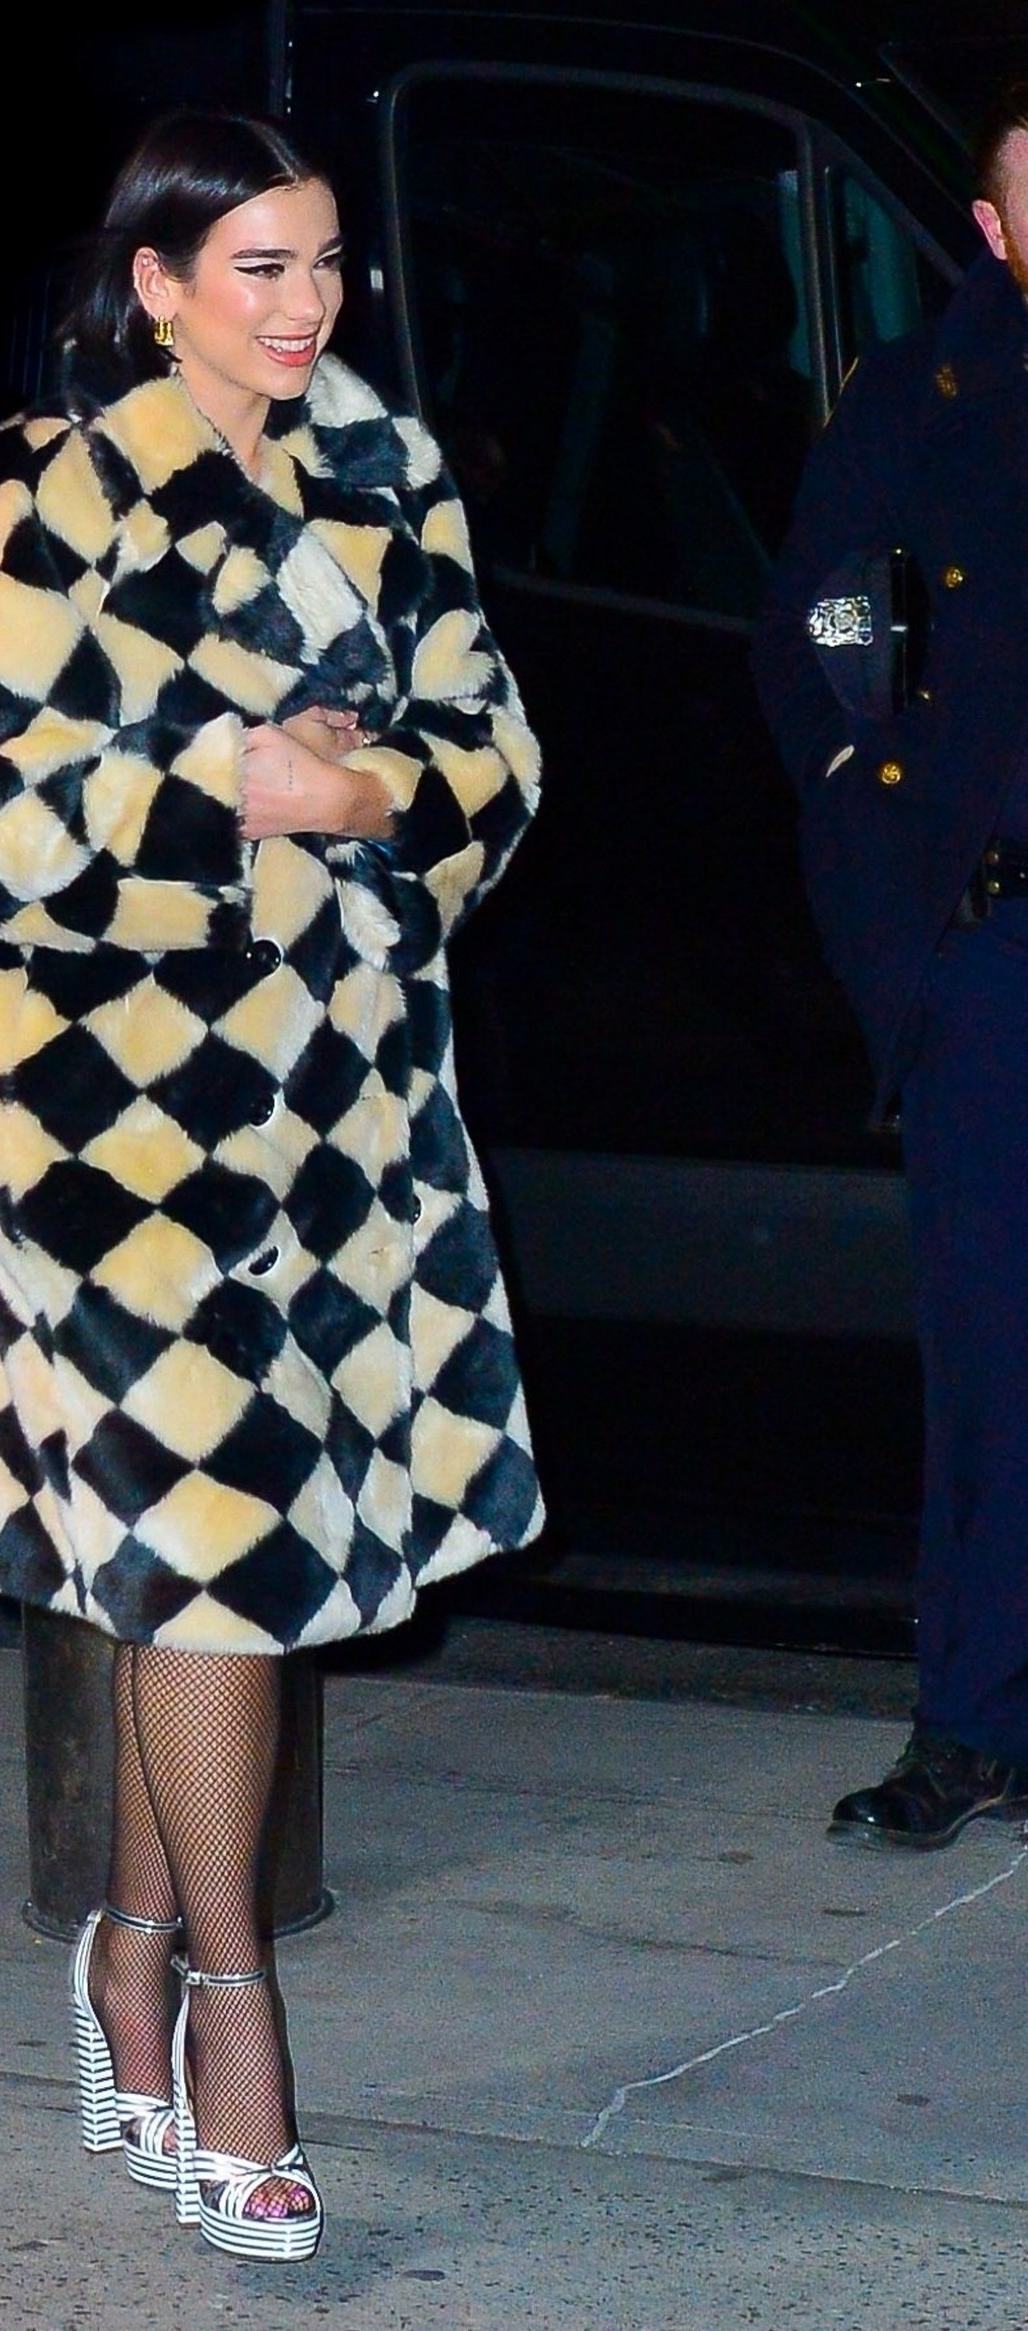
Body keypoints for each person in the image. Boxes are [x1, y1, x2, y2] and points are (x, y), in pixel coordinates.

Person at [0, 111, 544, 2256]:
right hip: (108, 1118)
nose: (309, 303)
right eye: (260, 265)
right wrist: (224, 789)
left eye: (327, 260)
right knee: (212, 1558)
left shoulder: (389, 474)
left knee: (189, 1562)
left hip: (336, 1111)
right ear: (156, 282)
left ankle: (123, 1949)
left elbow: (494, 761)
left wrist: (353, 797)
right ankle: (231, 2019)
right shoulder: (49, 491)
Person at [753, 83, 1028, 1849]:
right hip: (998, 950)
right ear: (994, 230)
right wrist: (884, 824)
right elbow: (814, 628)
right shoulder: (915, 400)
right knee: (993, 1354)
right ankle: (975, 1723)